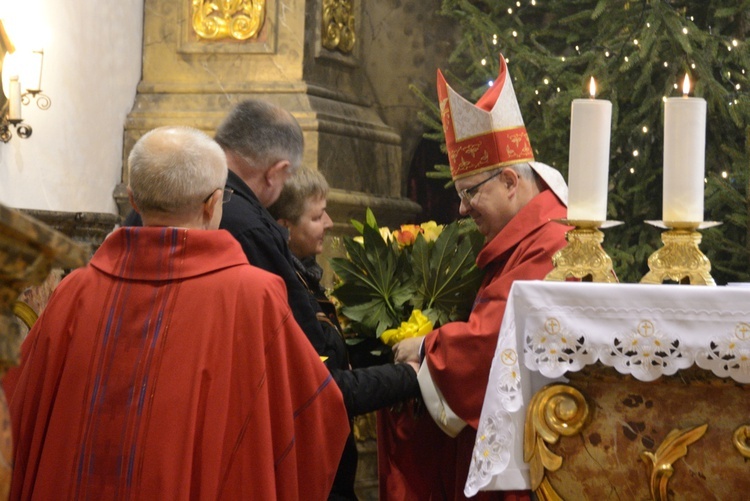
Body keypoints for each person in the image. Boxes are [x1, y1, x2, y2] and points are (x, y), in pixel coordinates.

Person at [4, 126, 349, 500]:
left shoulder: (74, 292)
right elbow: (313, 413)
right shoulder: (252, 296)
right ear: (212, 203)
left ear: (134, 201)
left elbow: (20, 410)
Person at [381, 55, 570, 500]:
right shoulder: (523, 236)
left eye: (470, 193)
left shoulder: (554, 241)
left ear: (509, 180)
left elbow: (496, 342)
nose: (462, 209)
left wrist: (425, 346)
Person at [213, 101, 420, 500]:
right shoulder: (251, 229)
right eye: (317, 215)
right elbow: (309, 377)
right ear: (277, 174)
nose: (326, 224)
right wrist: (409, 375)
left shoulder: (204, 200)